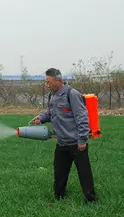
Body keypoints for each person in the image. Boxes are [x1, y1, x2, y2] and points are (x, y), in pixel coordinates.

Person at [32, 68, 98, 203]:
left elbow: (82, 117)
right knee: (59, 172)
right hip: (61, 142)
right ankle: (59, 196)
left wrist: (82, 140)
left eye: (49, 82)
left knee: (84, 172)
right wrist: (41, 118)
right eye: (46, 82)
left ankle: (90, 198)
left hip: (76, 142)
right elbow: (50, 113)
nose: (47, 85)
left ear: (59, 81)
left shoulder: (72, 94)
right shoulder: (52, 96)